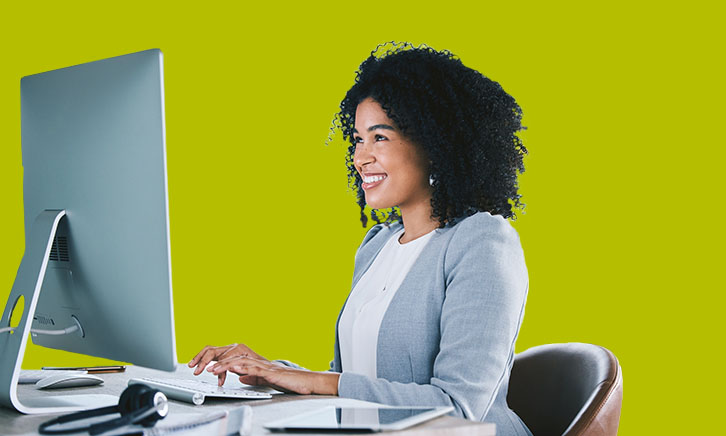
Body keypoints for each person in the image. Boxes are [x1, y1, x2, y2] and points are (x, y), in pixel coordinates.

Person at [188, 42, 532, 436]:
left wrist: (313, 381)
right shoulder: (377, 246)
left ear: (436, 144)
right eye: (357, 139)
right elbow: (347, 380)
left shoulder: (482, 242)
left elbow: (457, 406)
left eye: (379, 138)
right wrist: (270, 372)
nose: (360, 156)